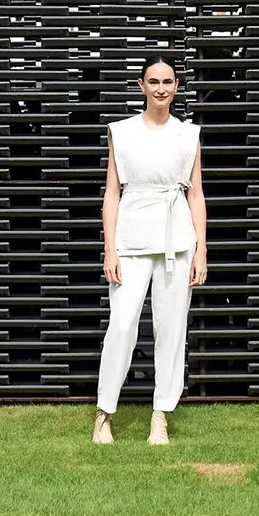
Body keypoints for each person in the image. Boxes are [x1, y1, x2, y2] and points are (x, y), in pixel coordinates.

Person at [94, 54, 208, 445]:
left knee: (172, 331)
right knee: (122, 326)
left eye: (169, 81)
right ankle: (104, 413)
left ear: (177, 86)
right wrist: (110, 249)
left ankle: (161, 415)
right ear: (141, 85)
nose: (162, 88)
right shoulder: (121, 132)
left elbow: (197, 195)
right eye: (154, 81)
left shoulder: (188, 134)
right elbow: (111, 195)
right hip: (131, 236)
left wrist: (201, 250)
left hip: (178, 240)